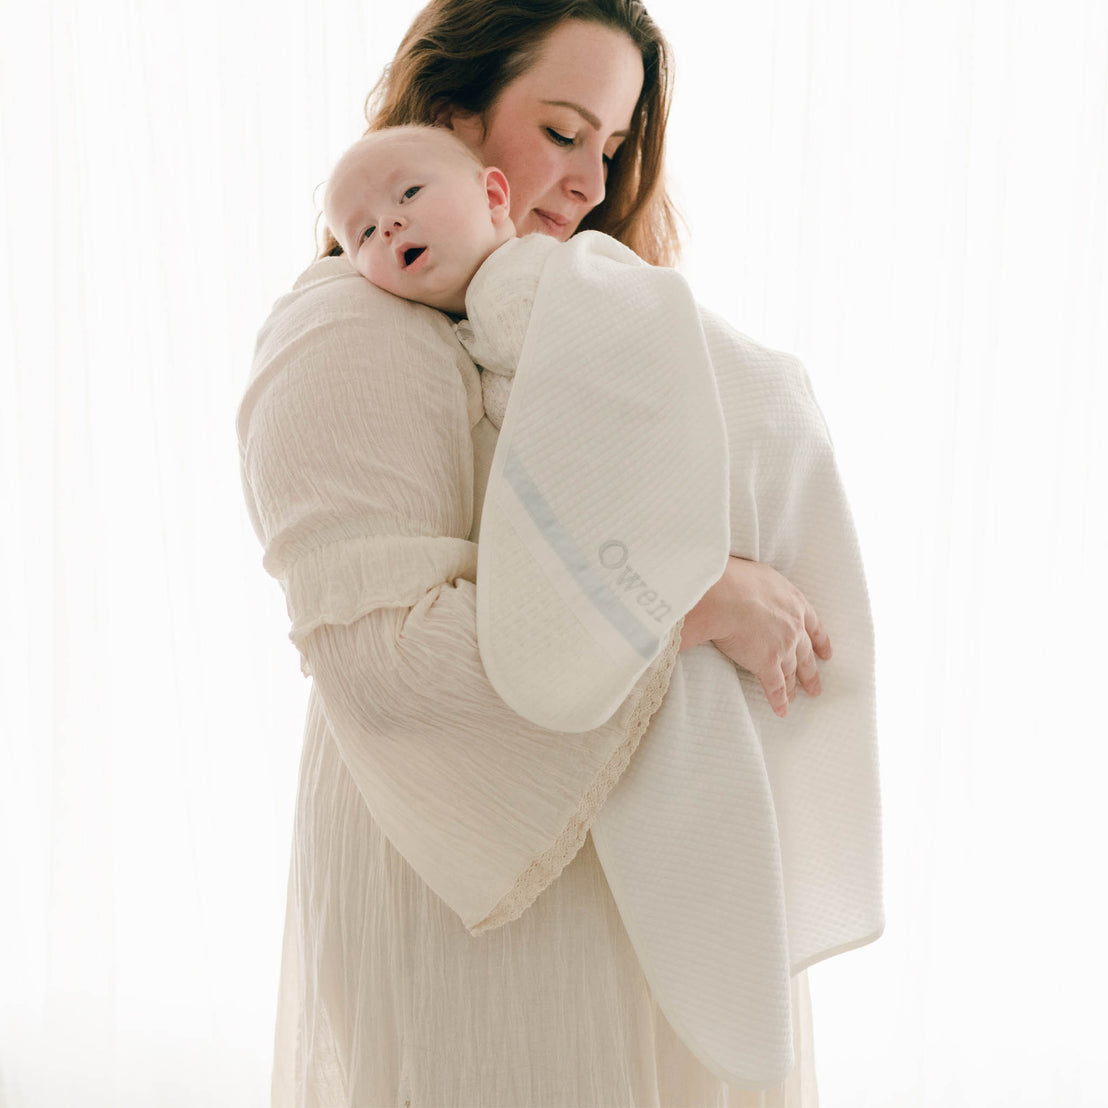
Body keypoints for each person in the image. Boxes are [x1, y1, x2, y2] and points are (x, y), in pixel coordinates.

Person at [237, 3, 853, 1104]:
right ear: (451, 117)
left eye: (611, 149)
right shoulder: (347, 329)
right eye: (564, 133)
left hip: (612, 863)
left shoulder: (559, 318)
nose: (590, 182)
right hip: (469, 886)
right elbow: (390, 663)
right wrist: (699, 603)